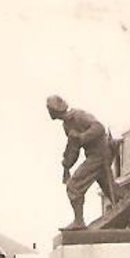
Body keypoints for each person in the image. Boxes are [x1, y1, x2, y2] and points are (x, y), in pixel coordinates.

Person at [46, 94, 118, 229]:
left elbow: (99, 128)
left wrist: (82, 137)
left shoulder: (78, 115)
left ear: (54, 110)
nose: (48, 111)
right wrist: (67, 164)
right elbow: (74, 148)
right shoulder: (66, 126)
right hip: (93, 156)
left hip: (100, 154)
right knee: (109, 188)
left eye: (49, 108)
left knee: (74, 185)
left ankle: (79, 221)